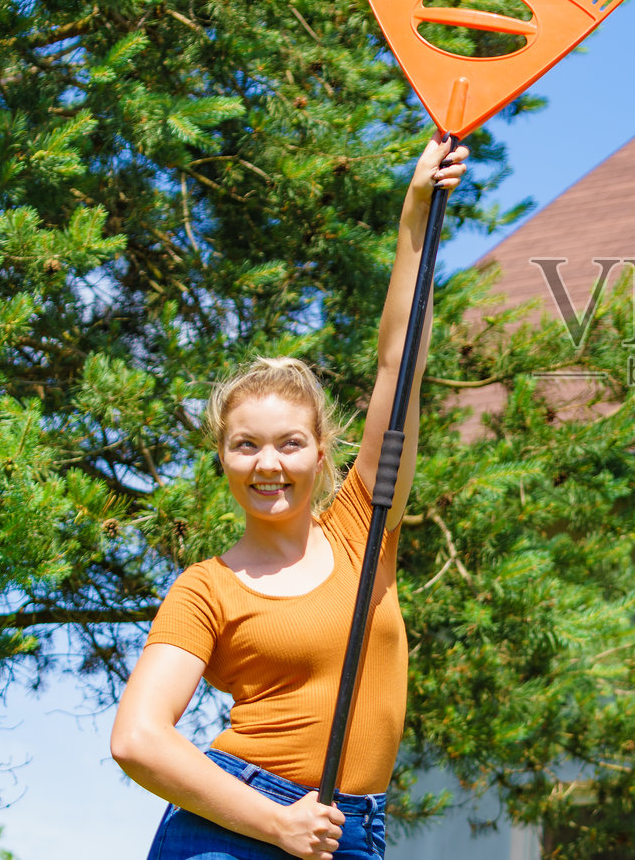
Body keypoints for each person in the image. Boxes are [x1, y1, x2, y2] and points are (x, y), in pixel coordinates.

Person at [112, 136, 469, 860]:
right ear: (223, 458)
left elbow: (399, 362)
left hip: (350, 831)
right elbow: (137, 738)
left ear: (321, 453)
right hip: (237, 828)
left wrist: (417, 209)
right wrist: (276, 823)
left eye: (289, 443)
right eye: (246, 445)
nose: (268, 463)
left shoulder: (364, 527)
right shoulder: (205, 589)